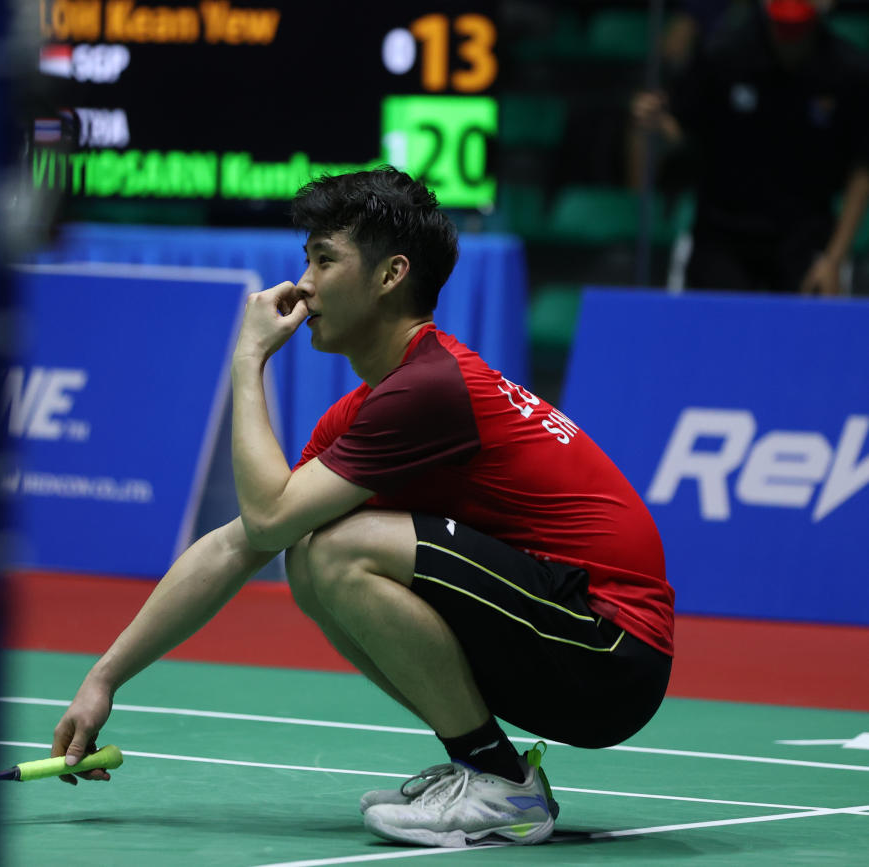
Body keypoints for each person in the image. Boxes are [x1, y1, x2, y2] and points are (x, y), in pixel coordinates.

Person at [50, 168, 675, 849]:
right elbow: (241, 542)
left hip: (610, 648)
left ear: (390, 275)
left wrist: (247, 358)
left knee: (335, 548)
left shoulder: (430, 388)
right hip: (562, 633)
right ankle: (484, 766)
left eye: (325, 259)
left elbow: (264, 515)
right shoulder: (375, 408)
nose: (305, 283)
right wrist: (104, 678)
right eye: (305, 259)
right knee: (308, 557)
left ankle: (502, 784)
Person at [632, 0, 869, 294]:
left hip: (805, 241)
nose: (788, 37)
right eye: (781, 26)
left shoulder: (850, 71)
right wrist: (655, 119)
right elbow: (682, 130)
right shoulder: (723, 55)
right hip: (722, 238)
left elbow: (863, 166)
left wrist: (834, 259)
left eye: (798, 27)